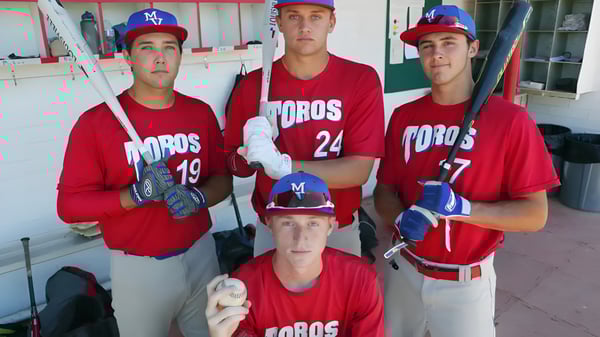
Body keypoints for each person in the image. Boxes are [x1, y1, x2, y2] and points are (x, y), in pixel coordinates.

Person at [373, 5, 560, 337]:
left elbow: (535, 214)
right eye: (427, 45)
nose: (437, 54)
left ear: (473, 48)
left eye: (449, 42)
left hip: (465, 284)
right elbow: (384, 190)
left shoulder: (511, 121)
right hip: (404, 271)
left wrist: (463, 209)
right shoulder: (403, 117)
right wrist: (400, 218)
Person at [57, 8, 232, 337]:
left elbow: (222, 180)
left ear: (180, 56)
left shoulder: (200, 113)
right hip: (138, 266)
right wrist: (135, 195)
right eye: (147, 47)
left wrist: (197, 196)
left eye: (169, 47)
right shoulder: (95, 123)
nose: (160, 57)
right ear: (128, 57)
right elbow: (69, 207)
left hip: (202, 253)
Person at [224, 0, 385, 258]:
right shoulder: (251, 85)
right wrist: (246, 155)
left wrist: (285, 167)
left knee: (340, 299)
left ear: (331, 22)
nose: (305, 26)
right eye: (294, 16)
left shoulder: (361, 80)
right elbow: (236, 168)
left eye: (316, 16)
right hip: (274, 228)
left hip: (337, 229)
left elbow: (359, 171)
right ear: (279, 22)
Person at [205, 172, 386, 337]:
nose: (300, 238)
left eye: (313, 223)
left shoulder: (361, 280)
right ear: (269, 224)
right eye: (288, 223)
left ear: (331, 226)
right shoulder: (244, 287)